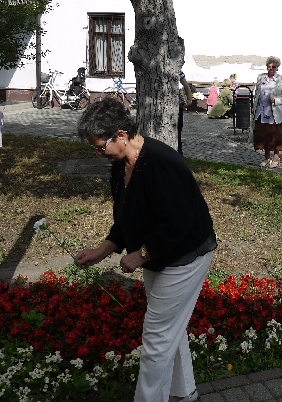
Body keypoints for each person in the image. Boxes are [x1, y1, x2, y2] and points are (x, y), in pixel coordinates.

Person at [75, 98, 216, 402]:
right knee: (168, 327)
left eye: (100, 147)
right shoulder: (121, 164)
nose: (99, 154)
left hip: (185, 255)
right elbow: (127, 217)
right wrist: (102, 250)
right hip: (160, 255)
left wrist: (141, 254)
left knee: (156, 337)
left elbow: (179, 223)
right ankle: (183, 392)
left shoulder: (161, 164)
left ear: (121, 134)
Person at [253, 56, 282, 168]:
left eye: (273, 67)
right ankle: (266, 158)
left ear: (277, 68)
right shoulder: (261, 78)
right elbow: (257, 94)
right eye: (269, 66)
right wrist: (254, 107)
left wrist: (276, 100)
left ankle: (276, 157)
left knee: (275, 135)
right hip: (261, 112)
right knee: (263, 135)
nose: (271, 68)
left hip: (275, 113)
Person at [177, 71, 193, 156]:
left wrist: (189, 99)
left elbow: (186, 86)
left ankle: (179, 153)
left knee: (178, 131)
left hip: (177, 106)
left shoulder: (176, 69)